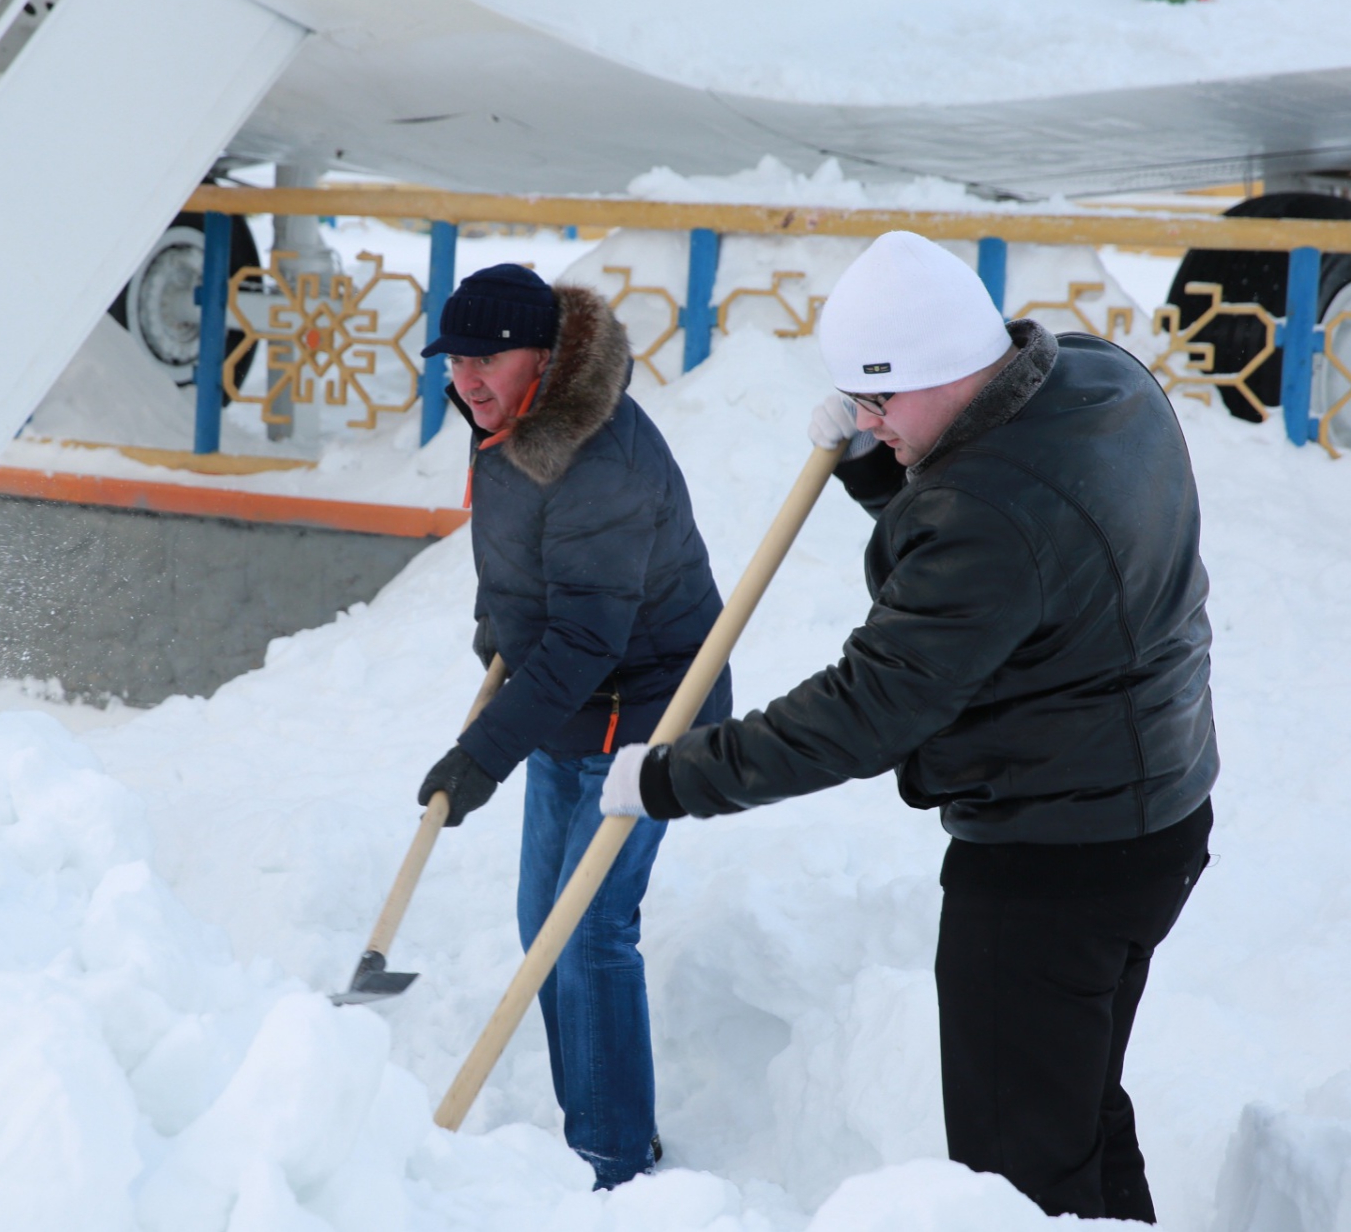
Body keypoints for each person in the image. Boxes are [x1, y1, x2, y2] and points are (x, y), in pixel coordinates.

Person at [602, 231, 1216, 1222]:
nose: (868, 420)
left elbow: (867, 709)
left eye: (880, 399)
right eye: (857, 401)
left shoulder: (985, 516)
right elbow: (1023, 545)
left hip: (1052, 860)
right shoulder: (1099, 377)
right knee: (1078, 1113)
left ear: (948, 368)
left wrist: (676, 776)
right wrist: (879, 470)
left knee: (1019, 1169)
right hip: (1156, 815)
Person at [414, 263, 732, 1190]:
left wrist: (480, 757)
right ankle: (592, 1125)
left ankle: (612, 1158)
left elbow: (591, 634)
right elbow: (517, 547)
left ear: (545, 360)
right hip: (566, 701)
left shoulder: (602, 461)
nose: (467, 378)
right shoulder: (505, 424)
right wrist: (497, 619)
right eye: (455, 358)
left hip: (647, 706)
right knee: (540, 924)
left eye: (488, 358)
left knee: (588, 926)